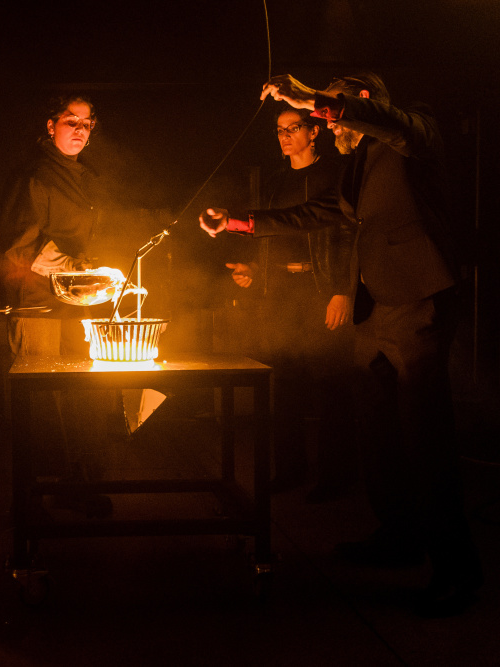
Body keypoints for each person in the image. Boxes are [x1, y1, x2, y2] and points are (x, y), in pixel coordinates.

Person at [200, 72, 482, 617]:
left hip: (417, 302)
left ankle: (458, 571)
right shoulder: (359, 164)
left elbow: (389, 121)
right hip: (374, 307)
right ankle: (397, 536)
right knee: (379, 432)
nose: (327, 127)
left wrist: (309, 98)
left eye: (335, 112)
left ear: (362, 102)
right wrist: (238, 222)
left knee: (425, 438)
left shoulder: (413, 131)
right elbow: (321, 213)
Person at [223, 107, 356, 502]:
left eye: (293, 128)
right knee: (285, 389)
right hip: (281, 294)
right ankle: (291, 471)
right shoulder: (276, 181)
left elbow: (346, 233)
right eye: (279, 130)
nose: (283, 136)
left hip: (320, 289)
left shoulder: (335, 176)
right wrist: (254, 271)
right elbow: (270, 233)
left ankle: (334, 479)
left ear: (314, 132)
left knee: (333, 389)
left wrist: (341, 289)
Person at [0, 93, 117, 518]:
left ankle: (79, 482)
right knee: (42, 398)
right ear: (50, 126)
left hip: (78, 305)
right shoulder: (35, 176)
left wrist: (91, 272)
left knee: (82, 393)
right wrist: (74, 267)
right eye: (71, 121)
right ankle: (32, 493)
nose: (81, 131)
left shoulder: (85, 177)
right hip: (38, 307)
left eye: (87, 123)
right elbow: (18, 247)